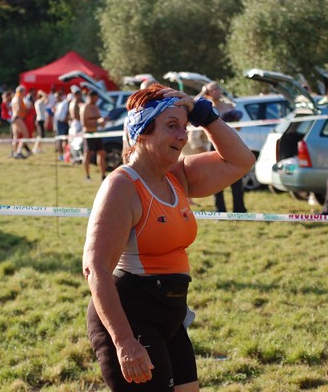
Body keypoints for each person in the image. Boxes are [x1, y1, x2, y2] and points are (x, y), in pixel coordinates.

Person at [83, 83, 255, 391]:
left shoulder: (178, 176)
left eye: (184, 127)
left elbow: (241, 161)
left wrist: (204, 113)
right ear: (142, 132)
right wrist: (124, 342)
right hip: (131, 318)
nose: (182, 136)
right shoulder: (122, 187)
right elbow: (95, 269)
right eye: (171, 126)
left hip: (170, 316)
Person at [202, 82, 247, 213]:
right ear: (208, 93)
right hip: (214, 145)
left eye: (217, 89)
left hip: (232, 144)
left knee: (237, 177)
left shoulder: (229, 106)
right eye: (212, 90)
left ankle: (240, 210)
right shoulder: (207, 107)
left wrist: (234, 119)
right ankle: (219, 211)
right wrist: (202, 92)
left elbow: (239, 127)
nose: (215, 91)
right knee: (216, 179)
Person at [81, 90, 106, 180]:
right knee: (88, 154)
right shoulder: (85, 107)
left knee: (101, 153)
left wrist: (103, 121)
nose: (96, 100)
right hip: (88, 133)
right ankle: (87, 175)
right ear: (90, 97)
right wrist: (98, 123)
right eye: (95, 98)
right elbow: (85, 123)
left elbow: (99, 118)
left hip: (96, 133)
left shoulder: (95, 107)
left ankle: (103, 175)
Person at [11, 85, 30, 159]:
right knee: (26, 135)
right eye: (24, 91)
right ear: (21, 91)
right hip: (18, 118)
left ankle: (14, 152)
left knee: (15, 136)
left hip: (14, 118)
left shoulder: (14, 98)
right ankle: (18, 152)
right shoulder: (18, 98)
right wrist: (26, 110)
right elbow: (19, 109)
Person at [53, 90, 70, 161]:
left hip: (62, 123)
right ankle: (61, 155)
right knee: (61, 140)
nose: (56, 99)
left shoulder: (64, 103)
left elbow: (65, 113)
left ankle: (64, 155)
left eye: (57, 97)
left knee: (63, 140)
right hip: (59, 123)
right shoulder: (59, 104)